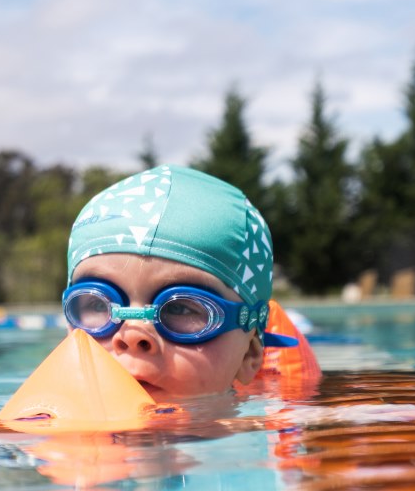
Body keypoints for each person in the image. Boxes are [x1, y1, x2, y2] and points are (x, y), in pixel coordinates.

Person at [63, 163, 292, 401]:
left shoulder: (289, 427)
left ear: (249, 356)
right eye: (98, 304)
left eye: (179, 307)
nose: (132, 336)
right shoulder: (33, 426)